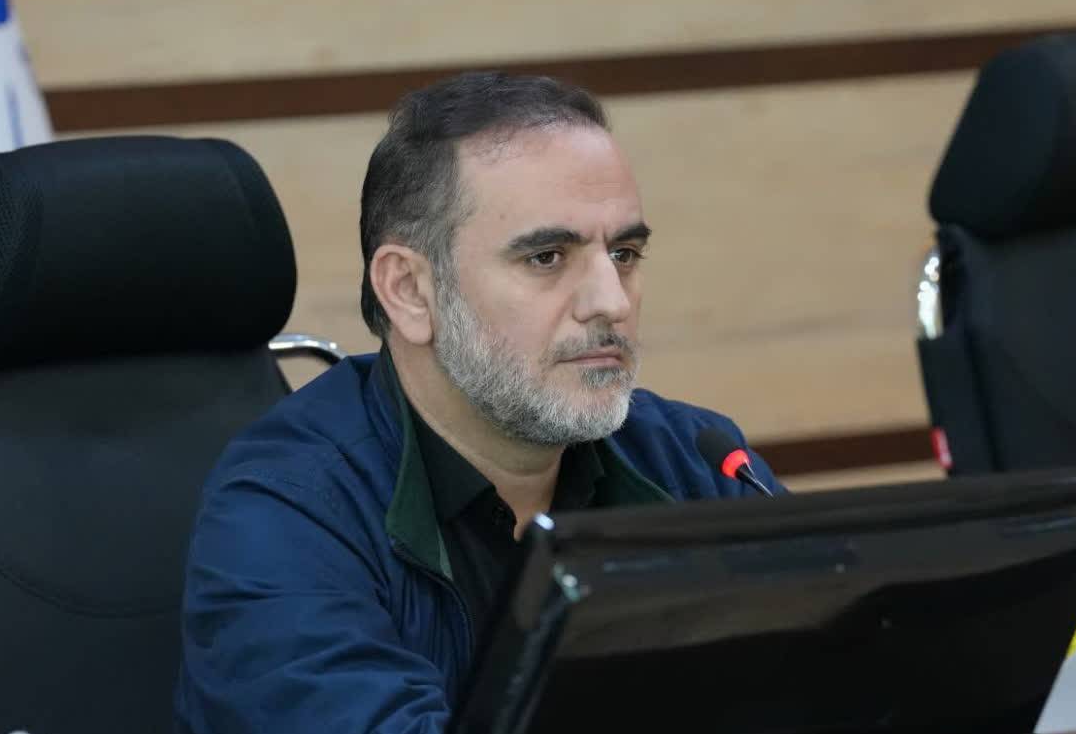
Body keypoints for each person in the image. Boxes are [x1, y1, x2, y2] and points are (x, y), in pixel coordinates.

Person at [174, 71, 784, 734]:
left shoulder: (696, 460)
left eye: (625, 252)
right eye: (547, 257)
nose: (611, 301)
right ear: (410, 291)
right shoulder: (284, 512)